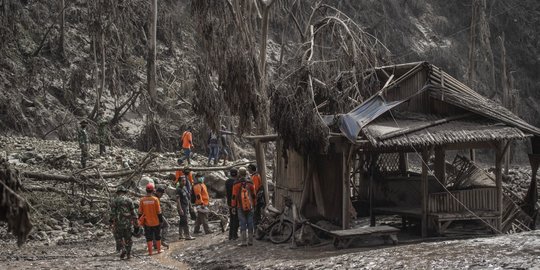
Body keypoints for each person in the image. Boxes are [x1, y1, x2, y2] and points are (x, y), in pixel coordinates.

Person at [110, 186, 138, 259]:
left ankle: (123, 249)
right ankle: (128, 254)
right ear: (124, 192)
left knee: (118, 237)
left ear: (118, 192)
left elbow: (112, 213)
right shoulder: (129, 200)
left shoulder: (114, 201)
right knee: (128, 238)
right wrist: (136, 221)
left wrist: (111, 222)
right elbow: (133, 212)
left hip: (118, 223)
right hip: (128, 223)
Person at [231, 167, 257, 246]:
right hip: (250, 206)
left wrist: (233, 206)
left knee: (242, 223)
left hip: (240, 206)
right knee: (250, 222)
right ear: (246, 173)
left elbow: (234, 196)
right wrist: (254, 204)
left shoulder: (236, 184)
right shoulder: (250, 182)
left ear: (239, 173)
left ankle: (243, 241)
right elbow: (253, 195)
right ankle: (251, 241)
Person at [138, 183, 163, 255]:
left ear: (146, 190)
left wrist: (139, 221)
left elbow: (140, 212)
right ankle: (159, 250)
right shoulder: (155, 199)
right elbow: (159, 212)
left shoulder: (142, 200)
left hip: (147, 222)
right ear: (153, 191)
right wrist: (161, 220)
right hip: (156, 222)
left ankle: (150, 252)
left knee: (149, 237)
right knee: (157, 236)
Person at [176, 176, 195, 240]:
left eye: (185, 181)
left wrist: (190, 206)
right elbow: (178, 200)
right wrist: (180, 209)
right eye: (182, 181)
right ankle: (187, 235)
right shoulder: (178, 189)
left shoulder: (185, 188)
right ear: (179, 182)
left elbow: (188, 198)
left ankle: (181, 235)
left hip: (186, 206)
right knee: (185, 221)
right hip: (182, 207)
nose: (184, 182)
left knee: (182, 221)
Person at [225, 168, 239, 240]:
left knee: (232, 218)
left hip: (229, 203)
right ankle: (234, 234)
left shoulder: (227, 182)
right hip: (236, 203)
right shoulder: (236, 182)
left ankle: (231, 235)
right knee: (236, 219)